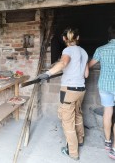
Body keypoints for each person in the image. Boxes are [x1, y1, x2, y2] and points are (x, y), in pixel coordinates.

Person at [38, 27, 89, 160]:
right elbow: (86, 74)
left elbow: (64, 62)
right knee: (78, 114)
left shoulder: (67, 50)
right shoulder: (84, 52)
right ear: (77, 38)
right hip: (81, 89)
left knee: (67, 121)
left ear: (64, 39)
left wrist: (47, 73)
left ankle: (72, 152)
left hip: (69, 90)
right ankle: (80, 139)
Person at [88, 24, 115, 160]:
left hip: (105, 85)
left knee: (107, 112)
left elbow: (89, 65)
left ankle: (108, 141)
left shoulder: (101, 49)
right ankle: (114, 149)